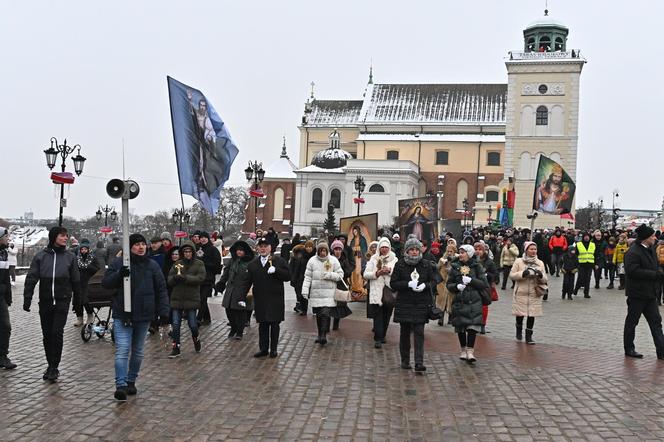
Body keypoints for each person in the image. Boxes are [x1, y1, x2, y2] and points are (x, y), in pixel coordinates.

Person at [102, 233, 169, 401]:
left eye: (143, 244)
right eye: (137, 244)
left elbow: (161, 289)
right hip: (122, 313)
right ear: (129, 247)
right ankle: (121, 384)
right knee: (122, 349)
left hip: (144, 313)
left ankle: (131, 380)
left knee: (138, 351)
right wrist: (119, 275)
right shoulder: (118, 263)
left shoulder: (152, 265)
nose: (141, 247)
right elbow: (106, 283)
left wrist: (164, 311)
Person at [23, 226, 81, 382]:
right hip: (46, 301)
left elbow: (76, 280)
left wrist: (78, 301)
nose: (65, 238)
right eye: (62, 236)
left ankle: (55, 367)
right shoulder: (41, 256)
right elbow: (31, 278)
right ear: (54, 237)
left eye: (66, 236)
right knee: (47, 335)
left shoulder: (70, 257)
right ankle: (50, 364)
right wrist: (27, 298)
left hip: (63, 300)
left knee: (57, 333)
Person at [390, 235, 436, 372]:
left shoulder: (426, 264)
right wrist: (407, 284)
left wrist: (425, 286)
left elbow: (433, 281)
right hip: (405, 303)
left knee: (419, 333)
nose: (414, 252)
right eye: (412, 249)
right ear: (407, 251)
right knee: (405, 333)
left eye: (417, 249)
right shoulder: (400, 264)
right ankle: (405, 360)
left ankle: (419, 362)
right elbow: (393, 283)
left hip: (421, 303)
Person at [623, 224, 664, 359]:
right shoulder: (633, 252)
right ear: (645, 238)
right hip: (637, 294)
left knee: (656, 322)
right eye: (652, 236)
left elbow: (656, 264)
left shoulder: (651, 249)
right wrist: (654, 274)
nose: (654, 238)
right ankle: (629, 348)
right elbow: (632, 271)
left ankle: (661, 351)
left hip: (650, 294)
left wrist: (659, 271)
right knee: (632, 322)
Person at [247, 237, 290, 358]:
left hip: (275, 298)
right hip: (261, 299)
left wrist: (277, 271)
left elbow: (288, 276)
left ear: (270, 248)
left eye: (265, 246)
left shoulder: (279, 261)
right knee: (263, 325)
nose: (263, 248)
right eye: (260, 246)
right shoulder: (253, 264)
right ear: (257, 248)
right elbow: (247, 281)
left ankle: (274, 349)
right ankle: (264, 348)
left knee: (274, 325)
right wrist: (241, 297)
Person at [447, 244, 489, 363]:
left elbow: (483, 283)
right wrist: (456, 286)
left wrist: (471, 280)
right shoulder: (455, 267)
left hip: (474, 301)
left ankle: (470, 351)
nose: (460, 254)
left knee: (472, 326)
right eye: (459, 252)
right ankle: (463, 349)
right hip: (460, 300)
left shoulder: (477, 266)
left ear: (469, 254)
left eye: (463, 252)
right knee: (461, 326)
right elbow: (449, 285)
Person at [302, 242, 344, 346]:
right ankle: (320, 334)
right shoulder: (312, 261)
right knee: (319, 315)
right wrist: (305, 290)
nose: (323, 253)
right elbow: (307, 277)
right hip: (316, 293)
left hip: (329, 293)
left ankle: (324, 335)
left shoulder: (333, 260)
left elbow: (340, 275)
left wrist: (330, 275)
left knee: (325, 314)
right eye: (321, 251)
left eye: (324, 251)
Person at [167, 241, 204, 358]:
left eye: (189, 251)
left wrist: (186, 278)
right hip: (177, 297)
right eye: (185, 252)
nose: (187, 254)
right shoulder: (177, 264)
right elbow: (169, 280)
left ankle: (196, 338)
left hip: (191, 298)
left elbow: (200, 278)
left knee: (193, 324)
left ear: (193, 252)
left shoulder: (199, 264)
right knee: (176, 324)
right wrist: (175, 278)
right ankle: (176, 347)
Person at [510, 241, 547, 344]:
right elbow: (512, 275)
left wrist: (540, 275)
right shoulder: (519, 261)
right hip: (521, 292)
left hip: (534, 293)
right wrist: (523, 273)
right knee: (520, 314)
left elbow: (545, 279)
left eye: (535, 249)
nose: (533, 251)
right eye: (531, 249)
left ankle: (529, 337)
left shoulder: (540, 263)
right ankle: (518, 330)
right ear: (526, 250)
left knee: (532, 315)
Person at [364, 237, 398, 348]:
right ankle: (377, 338)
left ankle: (383, 335)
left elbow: (397, 273)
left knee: (386, 316)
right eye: (382, 247)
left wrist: (389, 271)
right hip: (376, 291)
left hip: (389, 291)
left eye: (386, 247)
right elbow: (366, 274)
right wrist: (377, 273)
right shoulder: (374, 258)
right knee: (377, 315)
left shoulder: (394, 259)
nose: (384, 249)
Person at [216, 240, 254, 340]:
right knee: (229, 310)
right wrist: (221, 283)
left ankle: (239, 332)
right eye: (238, 250)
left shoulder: (250, 262)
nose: (239, 252)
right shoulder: (232, 260)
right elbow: (226, 272)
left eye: (241, 250)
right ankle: (233, 327)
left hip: (243, 289)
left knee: (240, 312)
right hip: (230, 289)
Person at [196, 231, 222, 325]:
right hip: (198, 277)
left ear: (208, 238)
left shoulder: (213, 249)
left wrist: (204, 263)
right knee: (201, 298)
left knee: (203, 298)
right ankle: (207, 318)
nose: (203, 239)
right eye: (201, 237)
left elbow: (217, 264)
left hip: (208, 277)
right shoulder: (198, 248)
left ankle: (198, 318)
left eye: (205, 237)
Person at [0, 227, 16, 369]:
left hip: (1, 297)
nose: (8, 239)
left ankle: (3, 356)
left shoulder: (4, 254)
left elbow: (5, 277)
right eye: (6, 237)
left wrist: (8, 296)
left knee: (5, 326)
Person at [73, 239, 99, 327]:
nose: (83, 251)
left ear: (88, 249)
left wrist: (89, 267)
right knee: (77, 302)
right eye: (82, 249)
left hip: (89, 283)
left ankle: (90, 316)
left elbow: (97, 269)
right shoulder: (76, 259)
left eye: (85, 249)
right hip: (78, 283)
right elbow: (73, 270)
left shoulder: (93, 258)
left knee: (87, 301)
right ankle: (79, 318)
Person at [329, 240, 353, 331]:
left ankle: (336, 323)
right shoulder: (329, 259)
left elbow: (349, 272)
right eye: (336, 249)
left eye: (339, 249)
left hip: (341, 284)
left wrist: (342, 271)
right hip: (331, 283)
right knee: (329, 304)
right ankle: (326, 325)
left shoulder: (344, 259)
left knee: (339, 304)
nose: (338, 251)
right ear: (333, 250)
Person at [475, 242, 498, 334]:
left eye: (480, 249)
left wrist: (487, 275)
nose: (478, 251)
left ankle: (482, 325)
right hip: (474, 286)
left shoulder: (489, 262)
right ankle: (475, 324)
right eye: (476, 249)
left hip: (485, 287)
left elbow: (495, 274)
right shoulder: (472, 260)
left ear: (484, 251)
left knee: (484, 307)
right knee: (474, 307)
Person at [435, 244, 457, 326]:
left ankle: (450, 318)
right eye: (448, 251)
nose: (449, 253)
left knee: (451, 301)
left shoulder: (457, 259)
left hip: (451, 283)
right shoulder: (442, 259)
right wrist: (441, 264)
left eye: (451, 251)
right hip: (442, 283)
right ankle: (440, 318)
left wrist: (451, 270)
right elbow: (437, 268)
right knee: (441, 300)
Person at [574, 232, 595, 298]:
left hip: (590, 264)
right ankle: (575, 290)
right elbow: (576, 254)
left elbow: (595, 254)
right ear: (583, 237)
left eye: (588, 236)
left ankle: (586, 293)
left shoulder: (592, 244)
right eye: (585, 236)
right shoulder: (578, 244)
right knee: (580, 278)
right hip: (581, 264)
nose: (586, 237)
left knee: (588, 279)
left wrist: (596, 264)